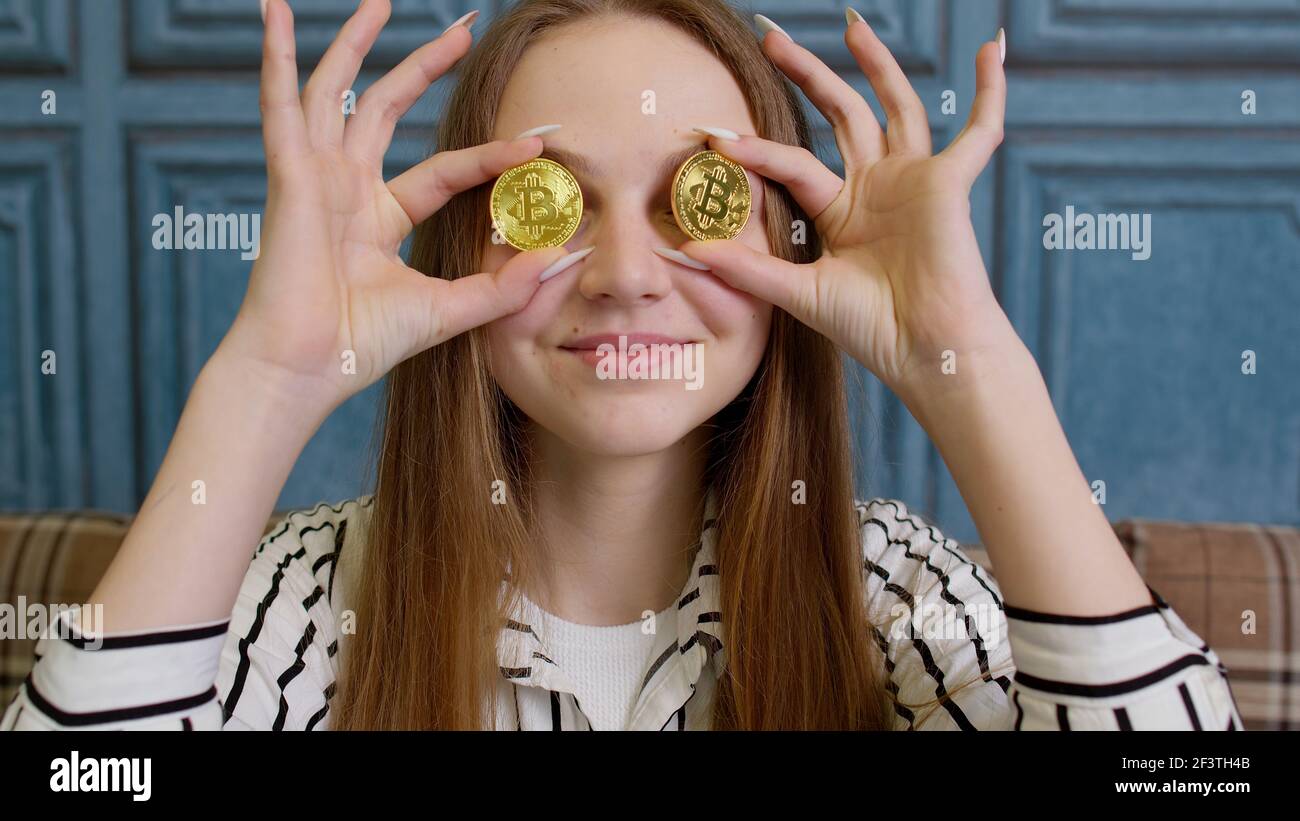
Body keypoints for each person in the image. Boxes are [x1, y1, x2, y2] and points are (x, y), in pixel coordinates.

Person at [2, 0, 1241, 730]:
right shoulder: (295, 602)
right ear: (460, 244)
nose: (628, 271)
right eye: (553, 201)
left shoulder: (892, 599)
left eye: (698, 204)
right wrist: (265, 379)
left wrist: (970, 364)